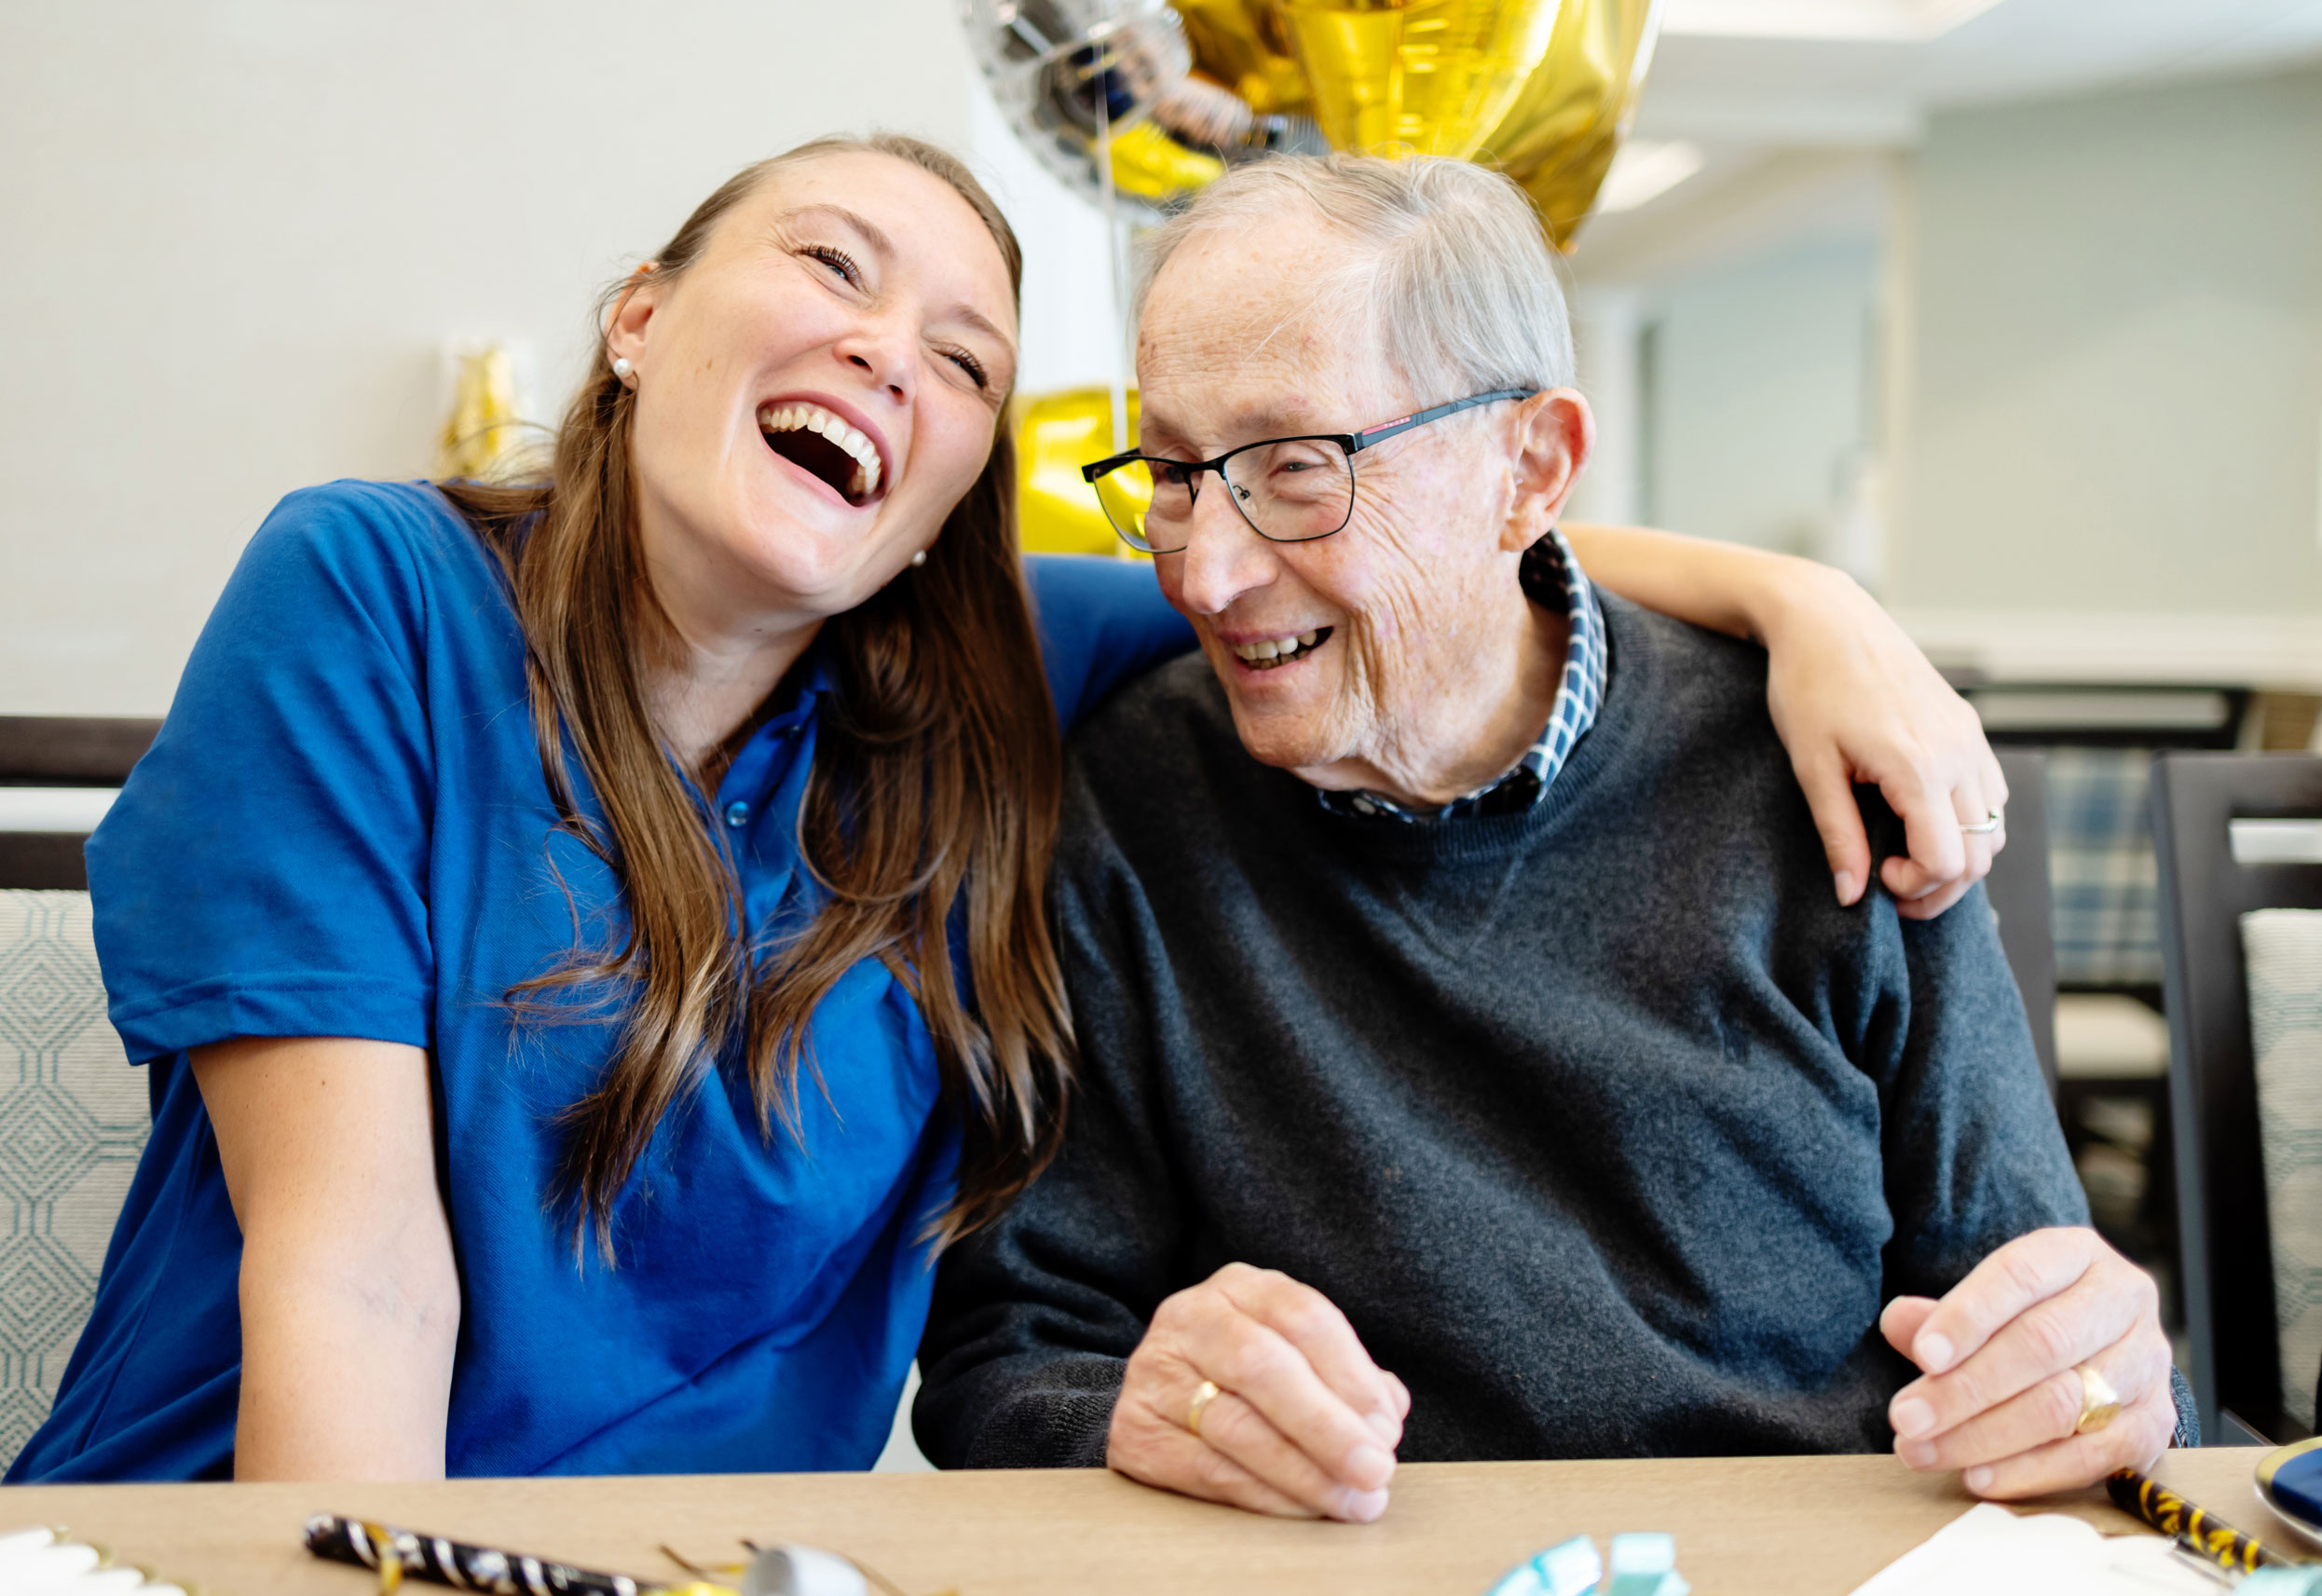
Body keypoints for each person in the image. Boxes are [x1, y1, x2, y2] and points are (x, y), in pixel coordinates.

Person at [13, 135, 2011, 1485]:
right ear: (638, 317)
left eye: (964, 360)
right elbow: (357, 1274)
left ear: (952, 495)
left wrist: (1804, 607)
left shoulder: (989, 686)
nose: (885, 353)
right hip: (270, 1537)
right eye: (828, 264)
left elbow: (1413, 576)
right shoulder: (369, 593)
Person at [911, 152, 2188, 1520]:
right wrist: (1130, 1415)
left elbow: (2037, 1315)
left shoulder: (1827, 773)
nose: (1205, 574)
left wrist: (2099, 1377)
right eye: (1173, 473)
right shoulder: (1124, 803)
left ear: (1530, 469)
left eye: (1297, 469)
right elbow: (1010, 1356)